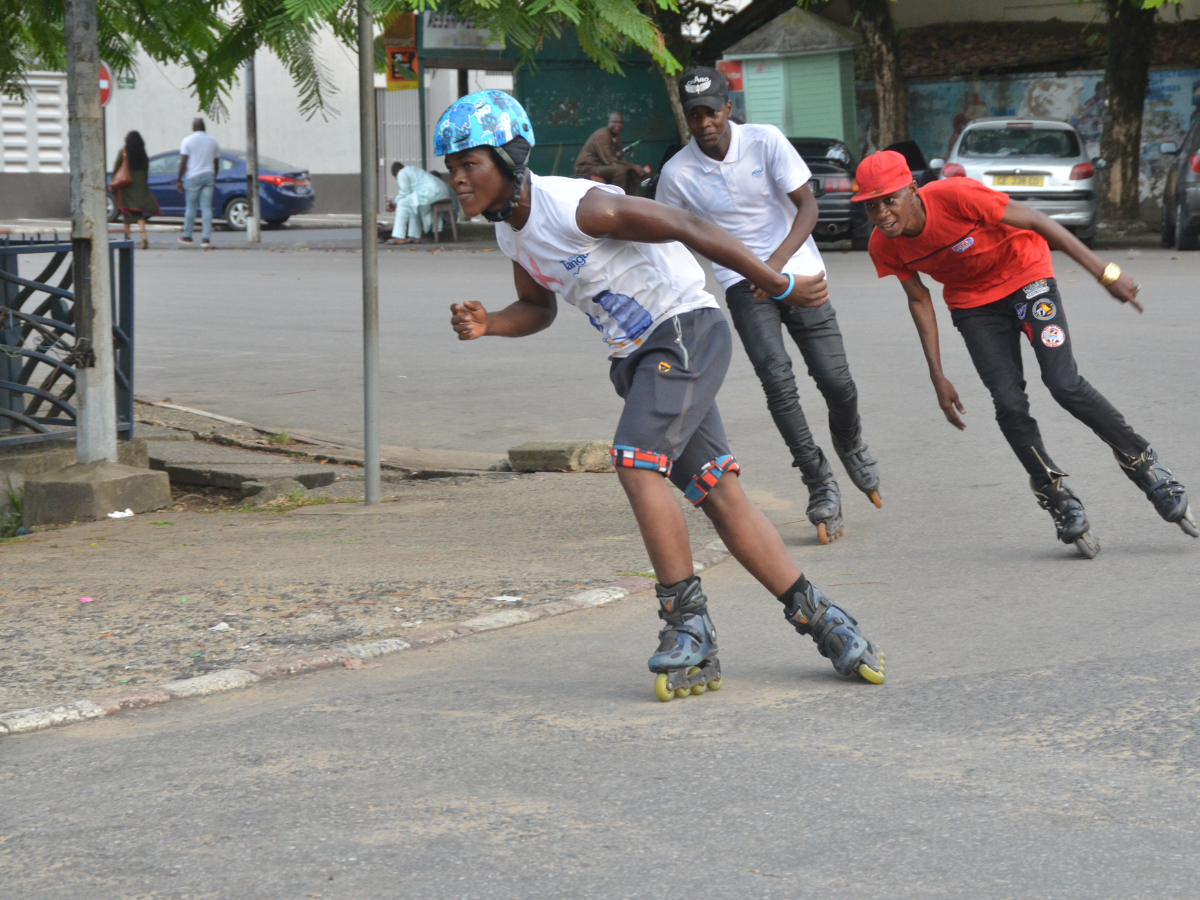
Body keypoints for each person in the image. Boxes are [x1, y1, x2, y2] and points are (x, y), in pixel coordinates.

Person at [436, 90, 886, 699]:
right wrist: (492, 321)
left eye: (471, 164)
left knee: (635, 462)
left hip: (683, 332)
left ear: (510, 159)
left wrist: (776, 281)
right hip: (640, 359)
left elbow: (691, 226)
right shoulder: (512, 235)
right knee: (721, 495)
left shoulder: (579, 207)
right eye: (452, 167)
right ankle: (829, 623)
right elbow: (538, 308)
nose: (458, 178)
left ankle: (688, 625)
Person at [857, 150, 1197, 558]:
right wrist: (937, 375)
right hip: (974, 306)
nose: (881, 213)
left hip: (1027, 276)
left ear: (912, 190)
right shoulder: (884, 245)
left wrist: (1105, 274)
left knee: (1063, 383)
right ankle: (1055, 493)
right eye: (871, 205)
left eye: (889, 200)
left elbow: (1038, 221)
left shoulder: (956, 195)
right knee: (1009, 404)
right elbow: (919, 299)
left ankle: (1145, 464)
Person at [656, 67, 881, 545]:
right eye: (694, 116)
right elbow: (669, 240)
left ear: (728, 108)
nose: (705, 124)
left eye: (711, 112)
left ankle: (849, 441)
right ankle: (818, 479)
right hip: (742, 284)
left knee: (837, 382)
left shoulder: (765, 141)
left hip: (797, 268)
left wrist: (775, 267)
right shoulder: (676, 174)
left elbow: (808, 207)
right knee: (778, 382)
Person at [574, 111, 650, 195]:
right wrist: (633, 166)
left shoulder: (617, 137)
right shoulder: (602, 134)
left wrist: (635, 169)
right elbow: (609, 160)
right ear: (608, 123)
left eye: (620, 123)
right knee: (619, 170)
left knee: (632, 173)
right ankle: (618, 200)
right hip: (586, 168)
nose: (617, 125)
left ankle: (633, 202)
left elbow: (620, 159)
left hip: (601, 167)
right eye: (614, 122)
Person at [385, 161, 453, 244]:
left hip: (431, 192)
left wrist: (394, 204)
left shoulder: (402, 173)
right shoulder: (414, 170)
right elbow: (410, 194)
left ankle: (399, 237)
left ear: (395, 172)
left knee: (403, 204)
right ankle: (415, 237)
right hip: (442, 192)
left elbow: (405, 192)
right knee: (413, 206)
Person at [176, 118, 219, 248]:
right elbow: (216, 163)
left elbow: (183, 162)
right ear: (204, 127)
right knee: (206, 207)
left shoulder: (187, 141)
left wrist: (179, 179)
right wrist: (214, 176)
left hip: (193, 176)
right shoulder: (213, 141)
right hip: (209, 175)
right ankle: (205, 239)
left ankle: (187, 236)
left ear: (193, 127)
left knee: (191, 207)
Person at [112, 130, 159, 249]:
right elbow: (146, 172)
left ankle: (127, 239)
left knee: (126, 212)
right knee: (139, 214)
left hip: (127, 187)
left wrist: (113, 183)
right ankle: (143, 236)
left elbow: (116, 169)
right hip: (140, 187)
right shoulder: (143, 155)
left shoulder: (123, 153)